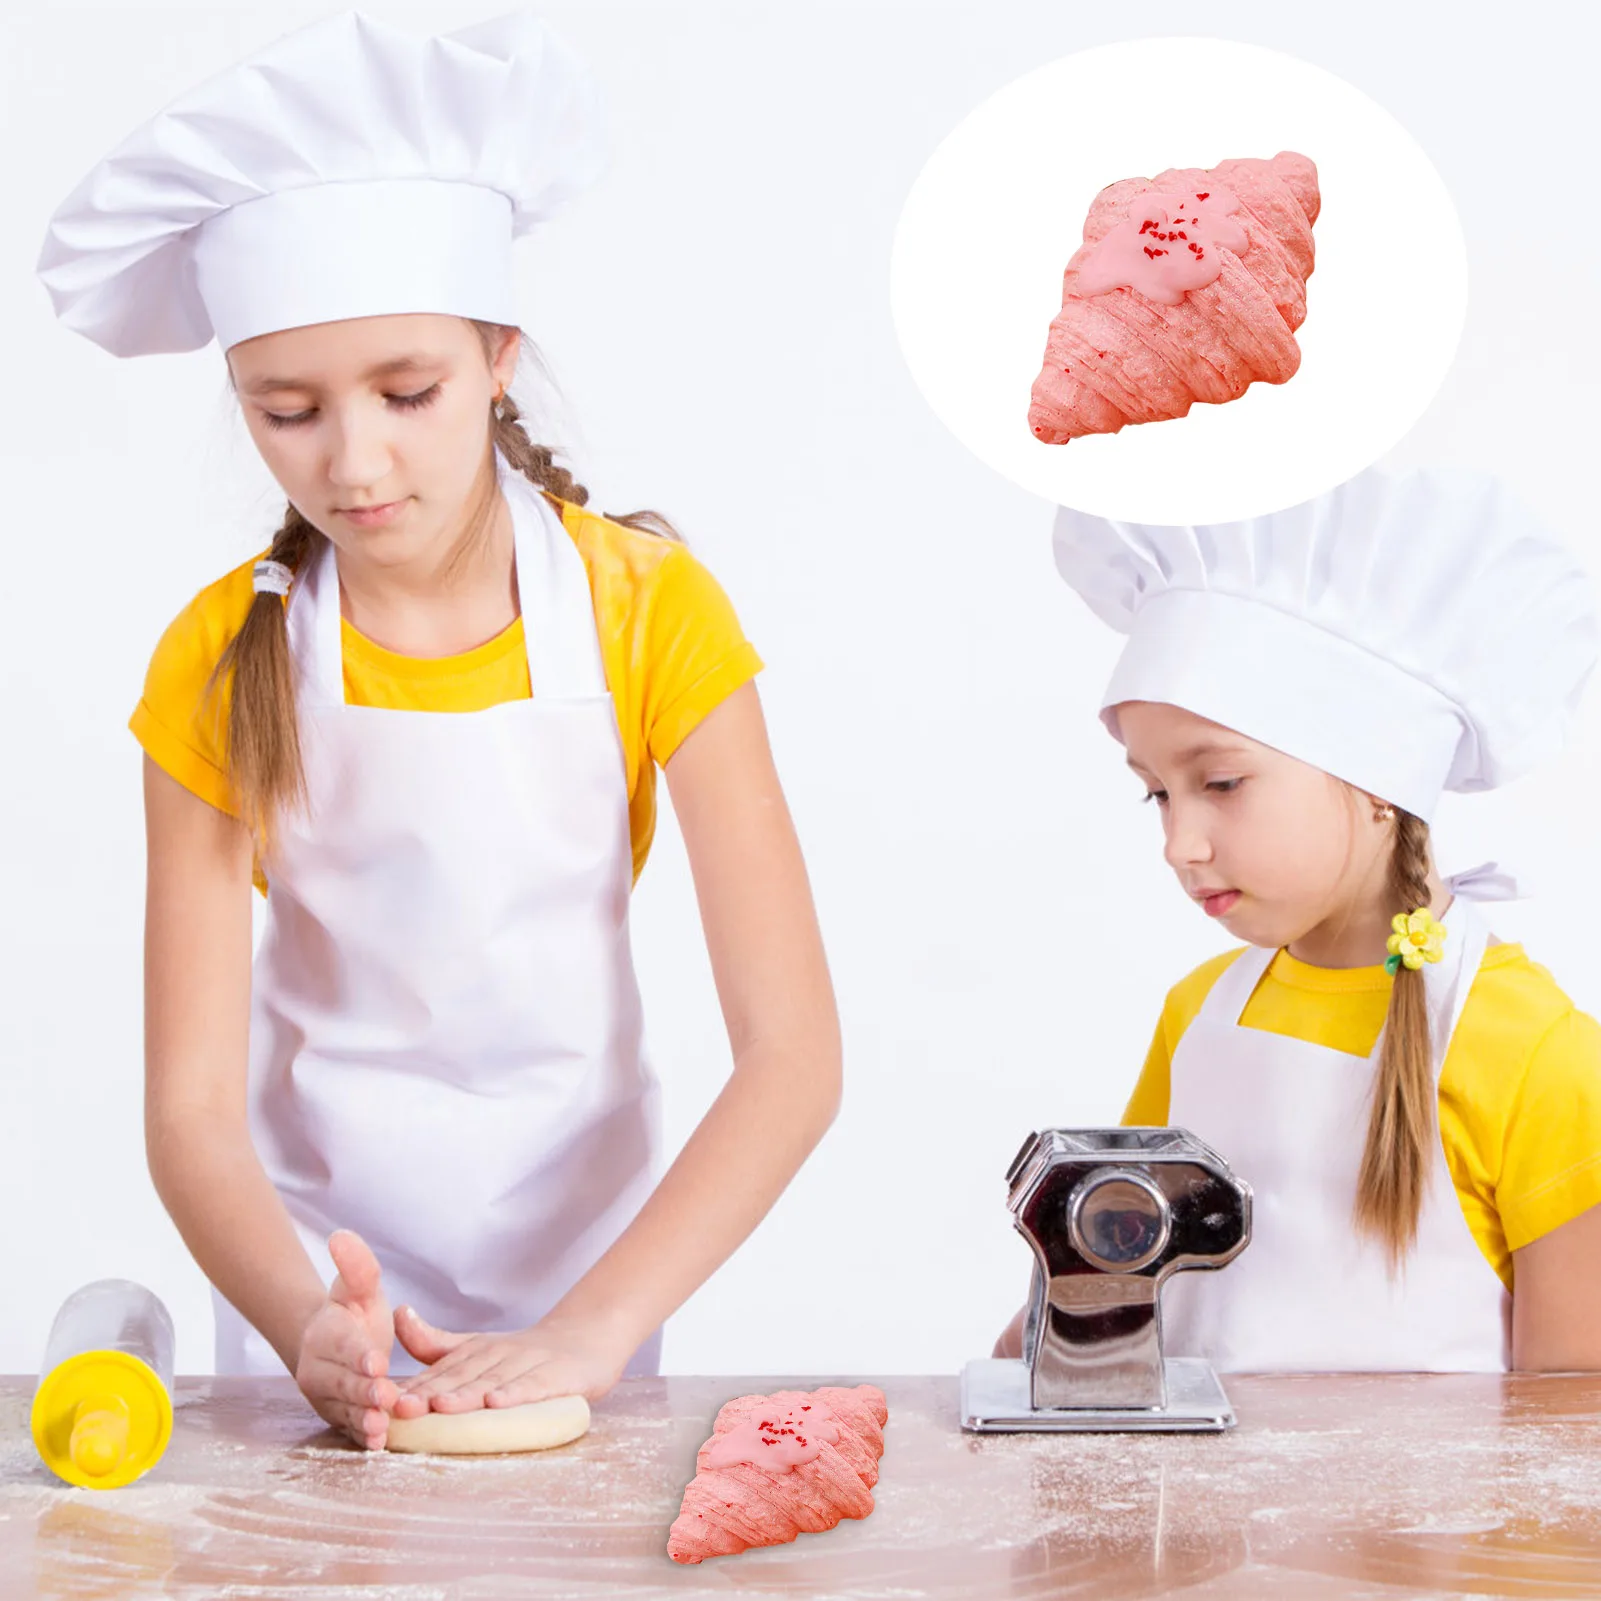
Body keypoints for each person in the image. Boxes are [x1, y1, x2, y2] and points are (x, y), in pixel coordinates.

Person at [38, 10, 841, 1450]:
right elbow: (191, 1113)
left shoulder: (648, 610)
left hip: (592, 1277)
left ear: (497, 359)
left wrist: (590, 1328)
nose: (352, 460)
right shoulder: (225, 660)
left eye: (407, 393)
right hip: (309, 1279)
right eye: (284, 412)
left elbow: (793, 1057)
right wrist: (304, 1329)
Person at [995, 468, 1601, 1372]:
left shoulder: (1538, 1055)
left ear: (1374, 782)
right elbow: (1092, 1307)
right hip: (1195, 1517)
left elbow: (1567, 1436)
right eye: (1156, 792)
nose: (1179, 843)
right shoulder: (1198, 1017)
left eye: (1221, 782)